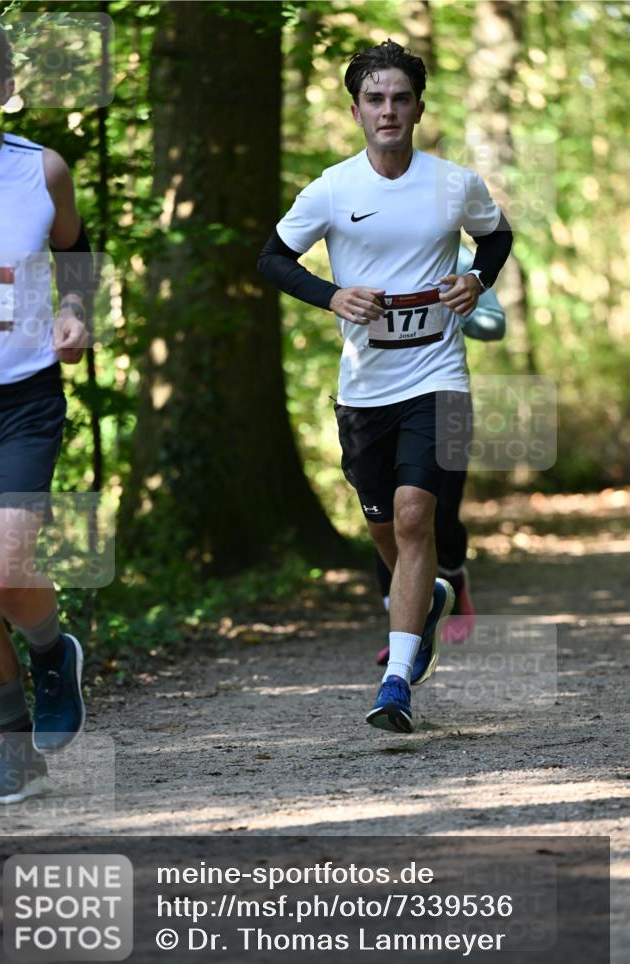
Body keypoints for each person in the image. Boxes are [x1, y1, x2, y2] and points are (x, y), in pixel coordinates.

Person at [258, 40, 512, 734]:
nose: (388, 110)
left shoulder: (454, 183)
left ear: (419, 108)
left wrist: (476, 279)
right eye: (375, 99)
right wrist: (331, 295)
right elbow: (272, 258)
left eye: (400, 98)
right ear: (356, 111)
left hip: (438, 376)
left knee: (412, 517)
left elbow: (496, 237)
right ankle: (424, 600)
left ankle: (397, 681)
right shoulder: (332, 189)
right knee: (382, 527)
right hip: (364, 390)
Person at [0, 13, 93, 804]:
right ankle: (17, 752)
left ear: (5, 87)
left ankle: (51, 649)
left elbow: (75, 254)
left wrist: (75, 312)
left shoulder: (42, 170)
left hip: (21, 400)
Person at [375, 246, 507, 662]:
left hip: (442, 396)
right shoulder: (368, 249)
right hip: (376, 399)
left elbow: (495, 324)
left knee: (438, 511)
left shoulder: (456, 256)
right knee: (387, 516)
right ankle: (407, 631)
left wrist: (455, 308)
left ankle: (453, 580)